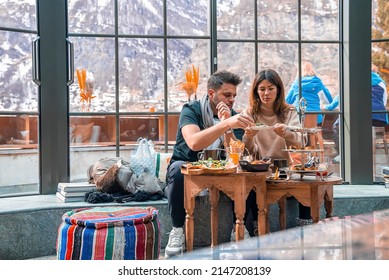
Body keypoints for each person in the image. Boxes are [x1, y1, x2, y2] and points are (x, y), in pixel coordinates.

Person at [164, 70, 255, 258]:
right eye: (227, 95)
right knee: (178, 170)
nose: (231, 100)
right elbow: (194, 142)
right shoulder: (191, 110)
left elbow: (234, 154)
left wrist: (228, 126)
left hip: (220, 168)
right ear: (212, 94)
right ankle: (177, 231)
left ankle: (239, 230)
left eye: (234, 96)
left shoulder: (232, 116)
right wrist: (225, 124)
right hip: (190, 164)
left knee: (247, 171)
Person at [241, 69, 305, 233]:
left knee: (307, 183)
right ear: (256, 91)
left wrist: (287, 133)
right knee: (251, 183)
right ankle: (256, 229)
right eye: (262, 89)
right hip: (260, 168)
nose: (266, 93)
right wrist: (248, 136)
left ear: (278, 90)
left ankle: (306, 227)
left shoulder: (288, 112)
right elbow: (246, 150)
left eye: (271, 88)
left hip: (285, 168)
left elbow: (301, 142)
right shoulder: (250, 113)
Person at [286, 61, 333, 126]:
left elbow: (288, 101)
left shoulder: (296, 84)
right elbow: (329, 100)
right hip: (316, 120)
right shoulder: (318, 83)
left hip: (299, 119)